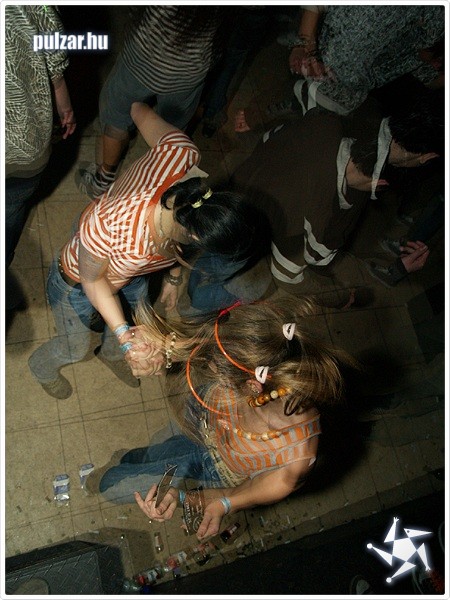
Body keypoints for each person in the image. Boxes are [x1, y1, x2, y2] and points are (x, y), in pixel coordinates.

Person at [28, 102, 264, 400]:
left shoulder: (183, 155)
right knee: (75, 345)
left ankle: (112, 355)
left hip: (128, 270)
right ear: (196, 234)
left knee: (134, 315)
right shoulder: (113, 226)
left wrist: (173, 278)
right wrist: (126, 338)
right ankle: (42, 368)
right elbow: (92, 280)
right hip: (81, 278)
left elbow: (138, 109)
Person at [90, 297, 355, 540]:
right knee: (154, 453)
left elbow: (227, 498)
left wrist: (179, 496)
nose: (208, 367)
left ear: (253, 386)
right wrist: (153, 349)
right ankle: (133, 458)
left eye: (216, 370)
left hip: (213, 469)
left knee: (111, 484)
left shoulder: (294, 461)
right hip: (200, 427)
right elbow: (195, 343)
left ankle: (124, 468)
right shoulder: (258, 355)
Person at [230, 89, 444, 294]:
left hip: (236, 193)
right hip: (241, 238)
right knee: (248, 287)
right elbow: (288, 276)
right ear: (428, 157)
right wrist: (392, 272)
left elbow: (296, 101)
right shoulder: (327, 218)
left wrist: (255, 114)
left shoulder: (331, 118)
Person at [77, 6, 235, 198]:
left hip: (142, 56)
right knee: (170, 132)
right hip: (189, 70)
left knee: (116, 117)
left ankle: (103, 181)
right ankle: (155, 191)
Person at [235, 5, 444, 131]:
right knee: (287, 97)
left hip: (348, 88)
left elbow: (425, 49)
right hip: (318, 56)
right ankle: (265, 114)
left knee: (302, 127)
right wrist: (304, 44)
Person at [5, 5, 76, 308]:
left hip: (20, 148)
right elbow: (53, 49)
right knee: (10, 211)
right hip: (22, 143)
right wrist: (63, 101)